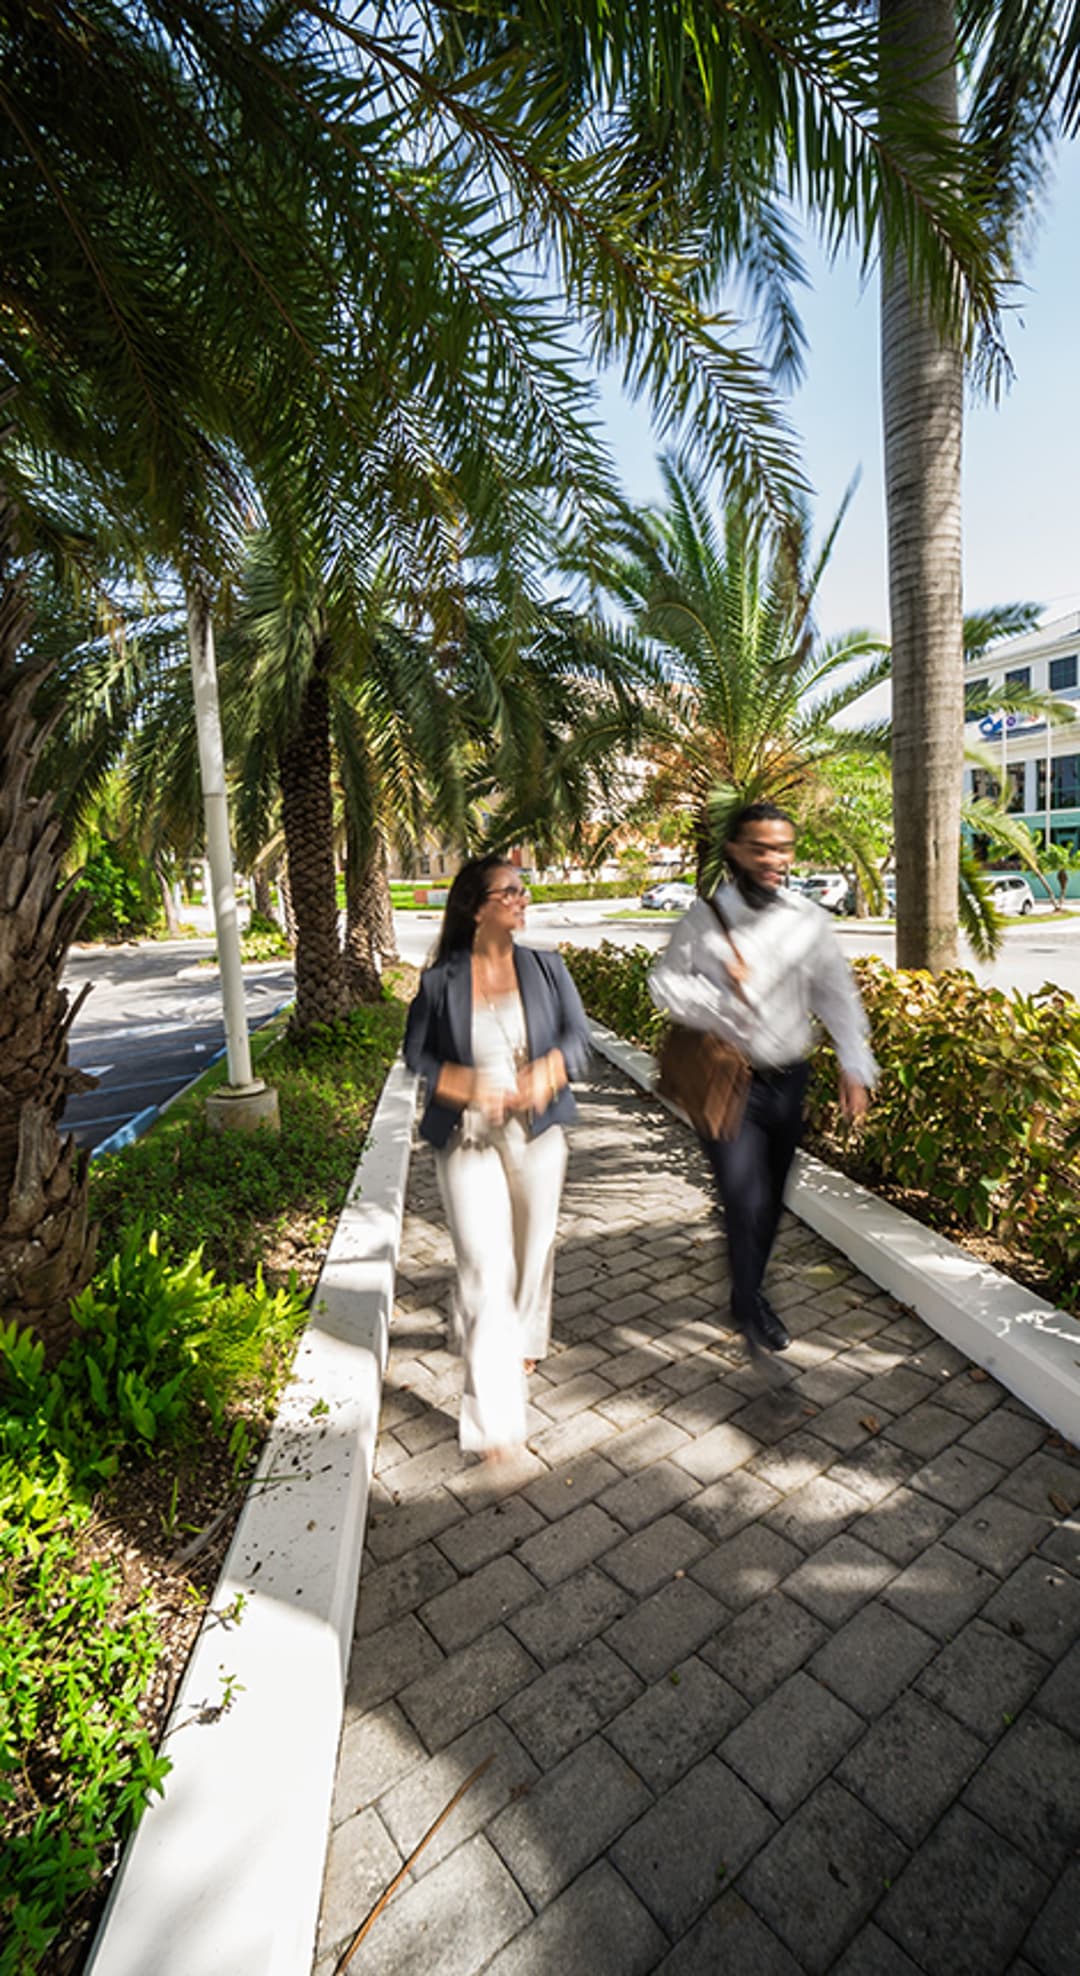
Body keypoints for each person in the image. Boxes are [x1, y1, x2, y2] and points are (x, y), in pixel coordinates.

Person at [648, 802, 876, 1356]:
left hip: (789, 1079)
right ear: (734, 850)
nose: (773, 858)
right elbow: (663, 985)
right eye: (760, 847)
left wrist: (854, 1064)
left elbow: (835, 995)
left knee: (772, 1199)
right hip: (730, 1083)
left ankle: (745, 1290)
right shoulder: (704, 919)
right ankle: (750, 1302)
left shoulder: (808, 919)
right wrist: (719, 995)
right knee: (742, 1197)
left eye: (783, 848)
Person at [404, 855, 591, 1457]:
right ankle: (495, 1424)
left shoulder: (547, 967)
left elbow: (578, 1038)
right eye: (508, 892)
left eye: (522, 890)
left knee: (531, 1251)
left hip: (536, 1134)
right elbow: (417, 1057)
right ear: (475, 906)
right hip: (467, 1139)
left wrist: (550, 1070)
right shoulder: (440, 983)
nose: (521, 899)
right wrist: (461, 1084)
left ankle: (523, 1330)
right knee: (485, 1269)